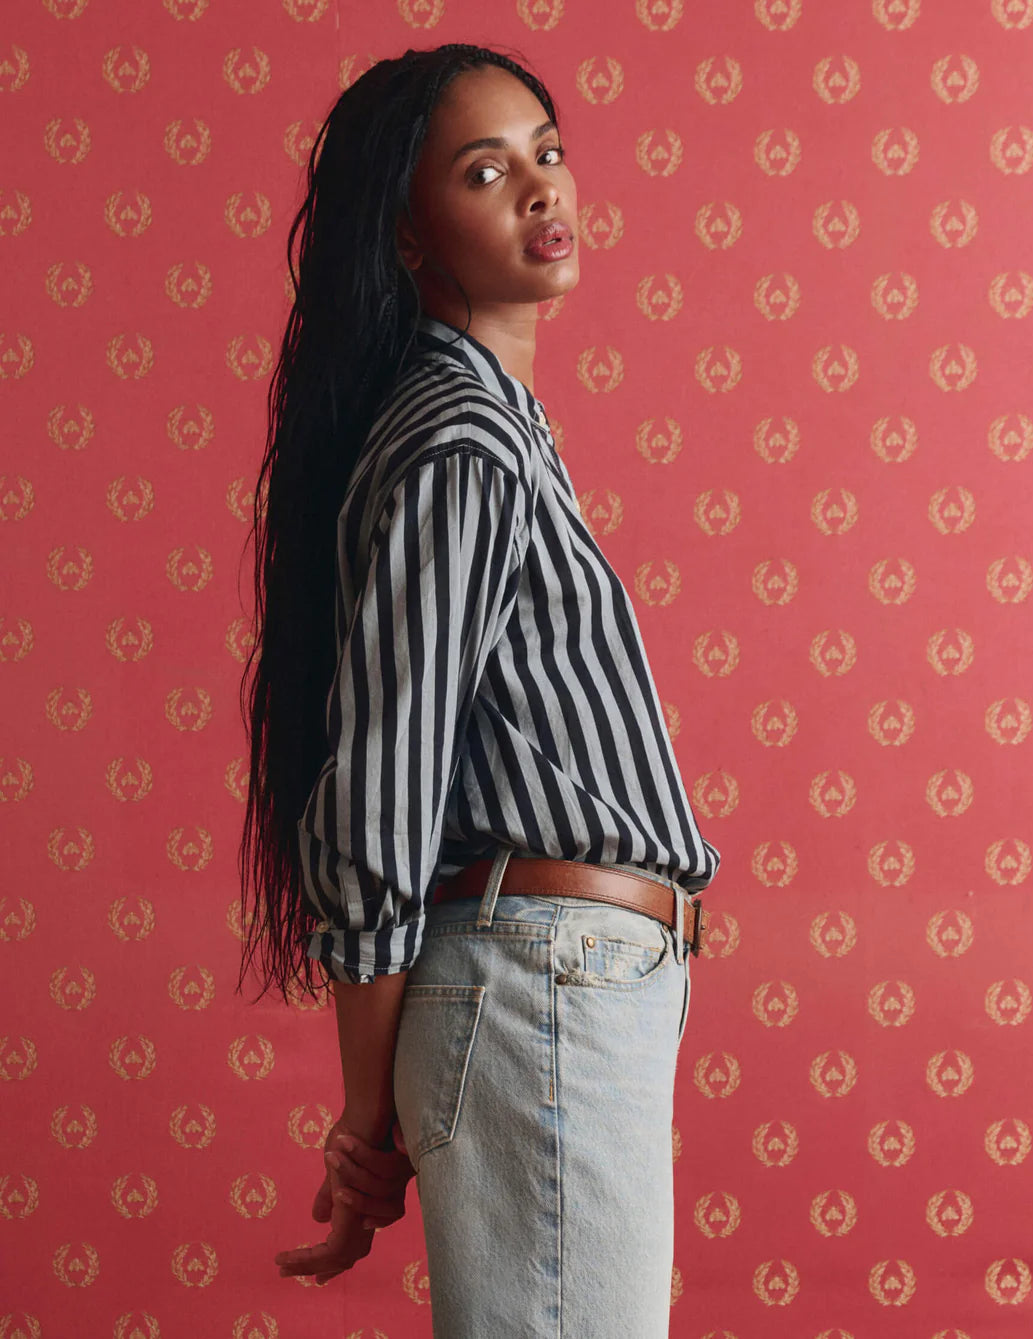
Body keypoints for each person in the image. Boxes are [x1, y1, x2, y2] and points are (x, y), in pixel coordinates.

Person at [236, 42, 720, 1337]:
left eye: (547, 153)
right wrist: (365, 1121)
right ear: (408, 235)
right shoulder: (462, 443)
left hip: (557, 985)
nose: (541, 189)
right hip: (540, 985)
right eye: (485, 172)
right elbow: (382, 803)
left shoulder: (487, 427)